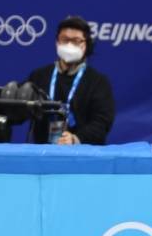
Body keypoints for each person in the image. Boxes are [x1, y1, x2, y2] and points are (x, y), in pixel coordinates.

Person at [26, 16, 115, 145]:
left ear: (86, 45)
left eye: (76, 41)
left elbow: (102, 123)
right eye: (65, 39)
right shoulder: (39, 76)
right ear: (57, 42)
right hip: (43, 153)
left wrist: (76, 139)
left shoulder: (98, 82)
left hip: (84, 155)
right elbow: (21, 107)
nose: (69, 45)